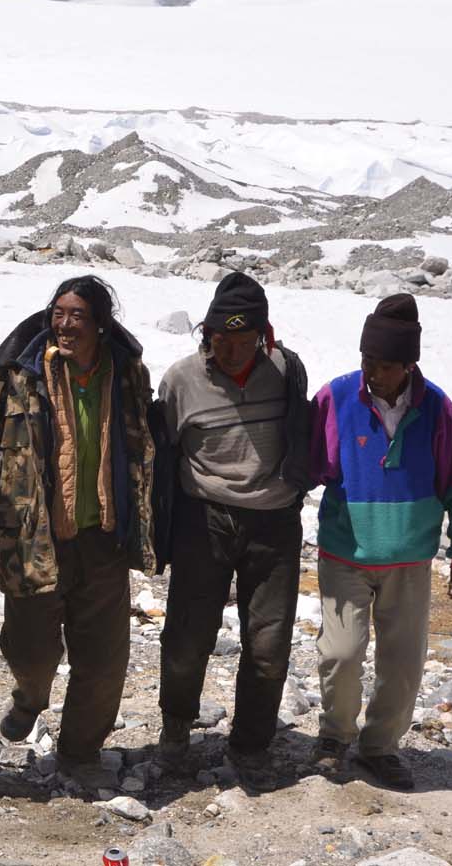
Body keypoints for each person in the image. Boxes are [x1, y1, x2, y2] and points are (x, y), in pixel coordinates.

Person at [0, 276, 157, 789]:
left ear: (101, 324)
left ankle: (80, 753)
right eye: (59, 313)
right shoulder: (20, 373)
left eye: (77, 316)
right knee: (30, 648)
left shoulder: (127, 373)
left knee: (103, 659)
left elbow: (144, 441)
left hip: (104, 538)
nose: (65, 325)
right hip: (35, 537)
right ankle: (30, 697)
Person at [308, 293, 452, 790]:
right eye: (367, 361)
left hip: (409, 559)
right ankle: (334, 737)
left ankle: (381, 747)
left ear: (409, 365)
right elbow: (306, 466)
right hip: (345, 552)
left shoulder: (437, 409)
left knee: (403, 662)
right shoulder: (336, 397)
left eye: (385, 366)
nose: (374, 373)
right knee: (341, 653)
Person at [155, 271, 312, 792]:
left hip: (275, 521)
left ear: (264, 337)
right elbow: (162, 450)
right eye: (221, 340)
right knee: (187, 636)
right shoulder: (181, 380)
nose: (232, 352)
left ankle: (251, 745)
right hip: (204, 520)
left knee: (268, 643)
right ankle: (176, 726)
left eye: (245, 342)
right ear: (207, 334)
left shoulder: (286, 370)